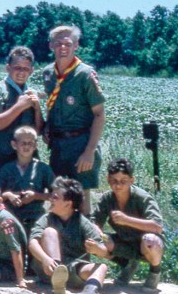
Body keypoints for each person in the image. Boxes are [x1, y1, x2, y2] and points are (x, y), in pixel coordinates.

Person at [42, 25, 105, 215]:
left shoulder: (85, 74)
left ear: (76, 45)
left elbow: (99, 114)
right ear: (50, 45)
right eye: (58, 43)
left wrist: (89, 151)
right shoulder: (48, 73)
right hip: (59, 145)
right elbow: (53, 104)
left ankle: (85, 239)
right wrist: (47, 126)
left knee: (81, 198)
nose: (63, 48)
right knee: (60, 196)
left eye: (68, 44)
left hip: (81, 143)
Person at [88, 158, 164, 290]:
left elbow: (157, 227)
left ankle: (154, 271)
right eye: (114, 181)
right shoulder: (107, 198)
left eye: (123, 181)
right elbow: (94, 222)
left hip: (146, 244)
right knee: (94, 239)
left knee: (150, 239)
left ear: (131, 180)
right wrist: (98, 232)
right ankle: (128, 265)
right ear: (108, 180)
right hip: (124, 242)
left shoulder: (142, 197)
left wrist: (126, 220)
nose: (118, 186)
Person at [28, 177, 108, 294]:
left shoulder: (82, 222)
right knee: (50, 231)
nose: (50, 199)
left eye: (55, 197)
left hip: (73, 269)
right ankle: (58, 279)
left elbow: (104, 252)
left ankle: (89, 291)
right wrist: (45, 259)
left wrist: (96, 248)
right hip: (49, 269)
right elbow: (32, 243)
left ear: (68, 204)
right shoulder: (47, 218)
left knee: (102, 267)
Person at [0, 46, 43, 181]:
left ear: (31, 71)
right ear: (8, 67)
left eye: (26, 69)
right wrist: (20, 106)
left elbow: (38, 131)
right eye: (17, 67)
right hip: (1, 161)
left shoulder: (31, 93)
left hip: (27, 162)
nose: (21, 72)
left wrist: (37, 108)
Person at [0, 126, 54, 237]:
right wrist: (9, 195)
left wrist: (35, 196)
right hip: (11, 219)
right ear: (14, 145)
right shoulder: (6, 169)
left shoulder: (43, 169)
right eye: (23, 143)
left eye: (30, 143)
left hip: (36, 219)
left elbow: (56, 195)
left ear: (35, 145)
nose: (26, 147)